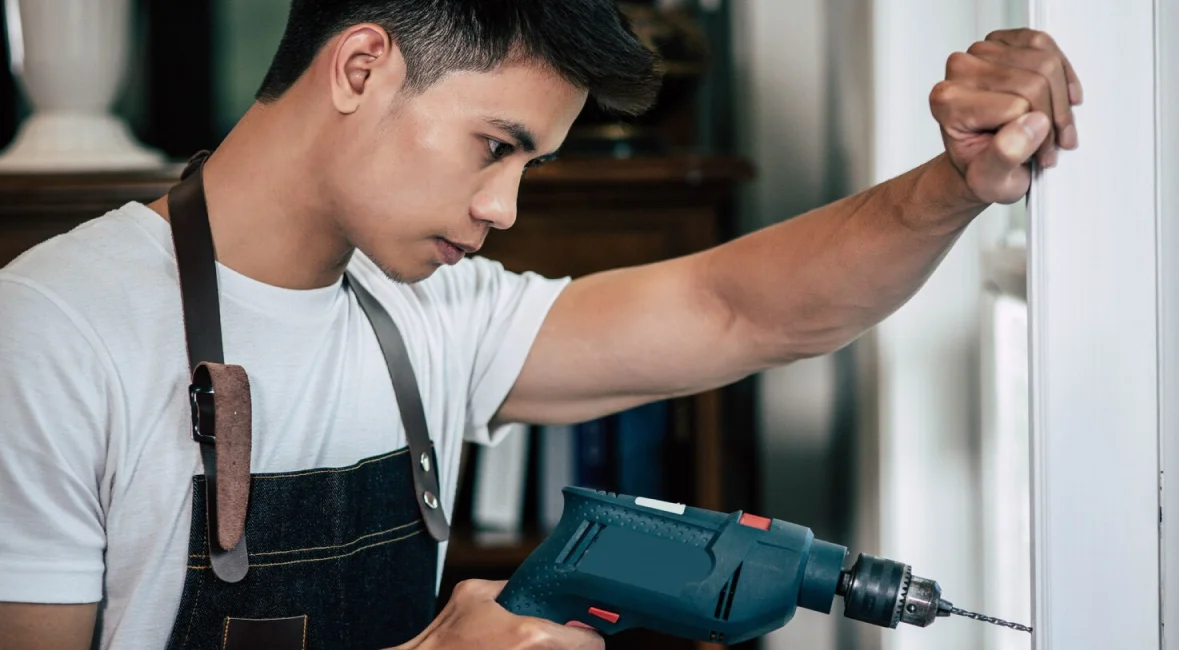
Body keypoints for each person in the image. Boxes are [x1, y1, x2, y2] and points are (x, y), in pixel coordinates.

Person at [0, 1, 1081, 648]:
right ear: (362, 65)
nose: (506, 208)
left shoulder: (425, 315)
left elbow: (741, 307)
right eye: (493, 145)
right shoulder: (57, 329)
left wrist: (960, 182)